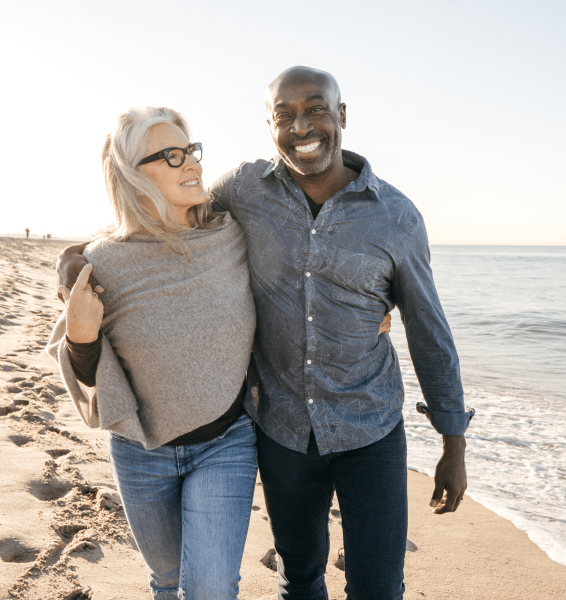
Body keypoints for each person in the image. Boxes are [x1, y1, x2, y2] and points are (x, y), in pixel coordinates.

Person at [59, 67, 473, 600]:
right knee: (299, 578)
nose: (302, 127)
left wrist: (453, 441)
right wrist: (71, 259)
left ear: (341, 115)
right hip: (282, 430)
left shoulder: (396, 217)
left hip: (369, 425)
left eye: (317, 109)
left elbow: (429, 330)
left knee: (379, 587)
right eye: (285, 116)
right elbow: (153, 223)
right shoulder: (243, 191)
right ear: (270, 125)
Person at [47, 106, 260, 600]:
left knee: (209, 588)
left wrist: (368, 309)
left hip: (226, 442)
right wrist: (81, 336)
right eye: (170, 156)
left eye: (190, 151)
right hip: (141, 451)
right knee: (167, 582)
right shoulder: (103, 264)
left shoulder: (230, 236)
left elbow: (298, 262)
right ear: (129, 175)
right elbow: (90, 373)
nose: (193, 164)